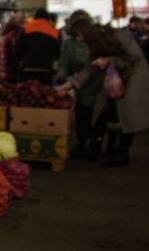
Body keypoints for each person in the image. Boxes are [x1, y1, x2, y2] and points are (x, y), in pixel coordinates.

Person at [61, 21, 149, 167]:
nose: (79, 40)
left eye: (79, 36)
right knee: (105, 113)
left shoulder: (120, 35)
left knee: (128, 116)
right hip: (115, 80)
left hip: (134, 78)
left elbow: (136, 57)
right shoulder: (94, 44)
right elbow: (89, 68)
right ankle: (110, 150)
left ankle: (122, 154)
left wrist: (109, 60)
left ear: (87, 32)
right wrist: (70, 85)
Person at [58, 12, 102, 160]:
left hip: (95, 83)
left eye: (80, 35)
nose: (78, 38)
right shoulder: (68, 43)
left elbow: (90, 69)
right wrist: (61, 76)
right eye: (75, 35)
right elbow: (64, 61)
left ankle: (93, 145)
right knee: (81, 113)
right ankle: (82, 143)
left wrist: (71, 82)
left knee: (94, 114)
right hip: (78, 82)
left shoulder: (96, 43)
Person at [18, 9, 61, 83]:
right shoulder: (55, 32)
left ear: (35, 18)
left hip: (28, 69)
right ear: (48, 19)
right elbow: (58, 53)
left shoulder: (26, 28)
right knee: (43, 93)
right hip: (46, 71)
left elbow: (18, 49)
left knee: (27, 92)